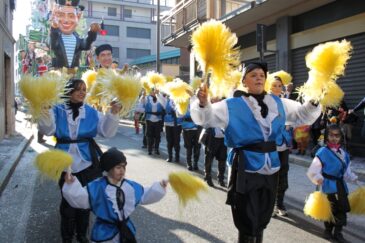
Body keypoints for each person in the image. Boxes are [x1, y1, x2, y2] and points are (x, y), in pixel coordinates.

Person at [191, 62, 321, 242]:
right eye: (253, 75)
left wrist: (313, 102)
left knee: (263, 214)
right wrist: (203, 103)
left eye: (262, 75)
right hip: (244, 167)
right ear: (244, 81)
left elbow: (302, 115)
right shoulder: (231, 105)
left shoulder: (278, 102)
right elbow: (206, 119)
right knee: (246, 216)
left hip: (271, 167)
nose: (259, 77)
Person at [38, 78, 121, 243]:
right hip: (63, 163)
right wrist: (45, 112)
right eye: (78, 89)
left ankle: (82, 234)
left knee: (85, 200)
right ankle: (67, 236)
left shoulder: (91, 112)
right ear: (69, 91)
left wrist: (113, 113)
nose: (82, 92)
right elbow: (48, 131)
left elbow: (106, 132)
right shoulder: (57, 110)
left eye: (84, 89)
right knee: (67, 202)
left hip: (87, 162)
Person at [62, 147, 167, 242]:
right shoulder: (97, 187)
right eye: (118, 167)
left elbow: (145, 195)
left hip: (126, 230)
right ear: (108, 168)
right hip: (104, 233)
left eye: (124, 167)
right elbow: (81, 198)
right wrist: (72, 185)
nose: (122, 171)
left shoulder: (129, 186)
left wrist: (159, 187)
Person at [307, 124, 358, 242]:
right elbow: (313, 170)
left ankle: (338, 233)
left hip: (341, 186)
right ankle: (328, 231)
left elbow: (347, 171)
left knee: (342, 209)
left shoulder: (344, 153)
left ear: (341, 137)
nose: (334, 138)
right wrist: (318, 177)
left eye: (337, 135)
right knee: (331, 209)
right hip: (328, 185)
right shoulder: (322, 152)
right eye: (331, 135)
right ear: (326, 136)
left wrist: (352, 177)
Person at [268, 75, 292, 217]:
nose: (277, 88)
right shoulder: (266, 101)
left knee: (283, 175)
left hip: (283, 144)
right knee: (271, 175)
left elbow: (293, 116)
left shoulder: (286, 102)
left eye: (279, 85)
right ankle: (270, 205)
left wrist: (290, 123)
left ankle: (279, 203)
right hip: (271, 145)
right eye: (274, 85)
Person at [157, 94, 183, 163]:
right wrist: (157, 93)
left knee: (176, 141)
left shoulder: (180, 102)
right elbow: (161, 99)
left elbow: (182, 112)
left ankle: (177, 157)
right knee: (169, 141)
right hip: (168, 123)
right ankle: (170, 156)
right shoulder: (167, 101)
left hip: (177, 124)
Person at [139, 89, 164, 155]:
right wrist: (143, 95)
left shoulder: (160, 97)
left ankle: (156, 149)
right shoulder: (147, 98)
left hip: (158, 119)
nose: (154, 92)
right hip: (149, 119)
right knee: (149, 135)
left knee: (157, 135)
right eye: (153, 91)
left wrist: (159, 95)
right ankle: (149, 149)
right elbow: (141, 103)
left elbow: (164, 104)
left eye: (155, 91)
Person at [181, 107, 202, 171]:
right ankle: (189, 163)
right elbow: (179, 114)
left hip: (198, 129)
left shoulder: (198, 102)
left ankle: (195, 163)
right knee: (188, 147)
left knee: (197, 147)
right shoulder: (184, 102)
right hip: (187, 128)